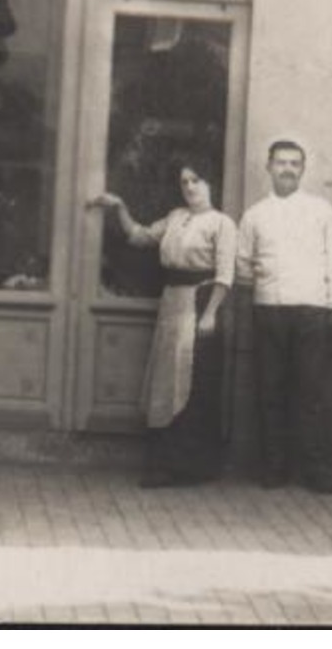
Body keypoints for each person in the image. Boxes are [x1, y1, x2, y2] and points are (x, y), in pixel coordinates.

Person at [92, 157, 237, 488]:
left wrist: (211, 314)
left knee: (190, 382)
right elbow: (140, 237)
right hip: (170, 303)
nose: (189, 187)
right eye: (184, 182)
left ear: (210, 185)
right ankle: (163, 462)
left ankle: (190, 466)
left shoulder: (222, 224)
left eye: (196, 181)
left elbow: (226, 276)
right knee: (165, 379)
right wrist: (120, 207)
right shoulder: (175, 217)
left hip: (198, 305)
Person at [235, 139, 332, 494]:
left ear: (302, 169)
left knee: (310, 391)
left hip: (313, 310)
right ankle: (275, 467)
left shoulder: (321, 211)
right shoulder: (254, 215)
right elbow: (242, 264)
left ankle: (313, 469)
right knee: (271, 390)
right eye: (281, 162)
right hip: (270, 308)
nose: (287, 169)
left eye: (294, 163)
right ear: (268, 167)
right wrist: (263, 288)